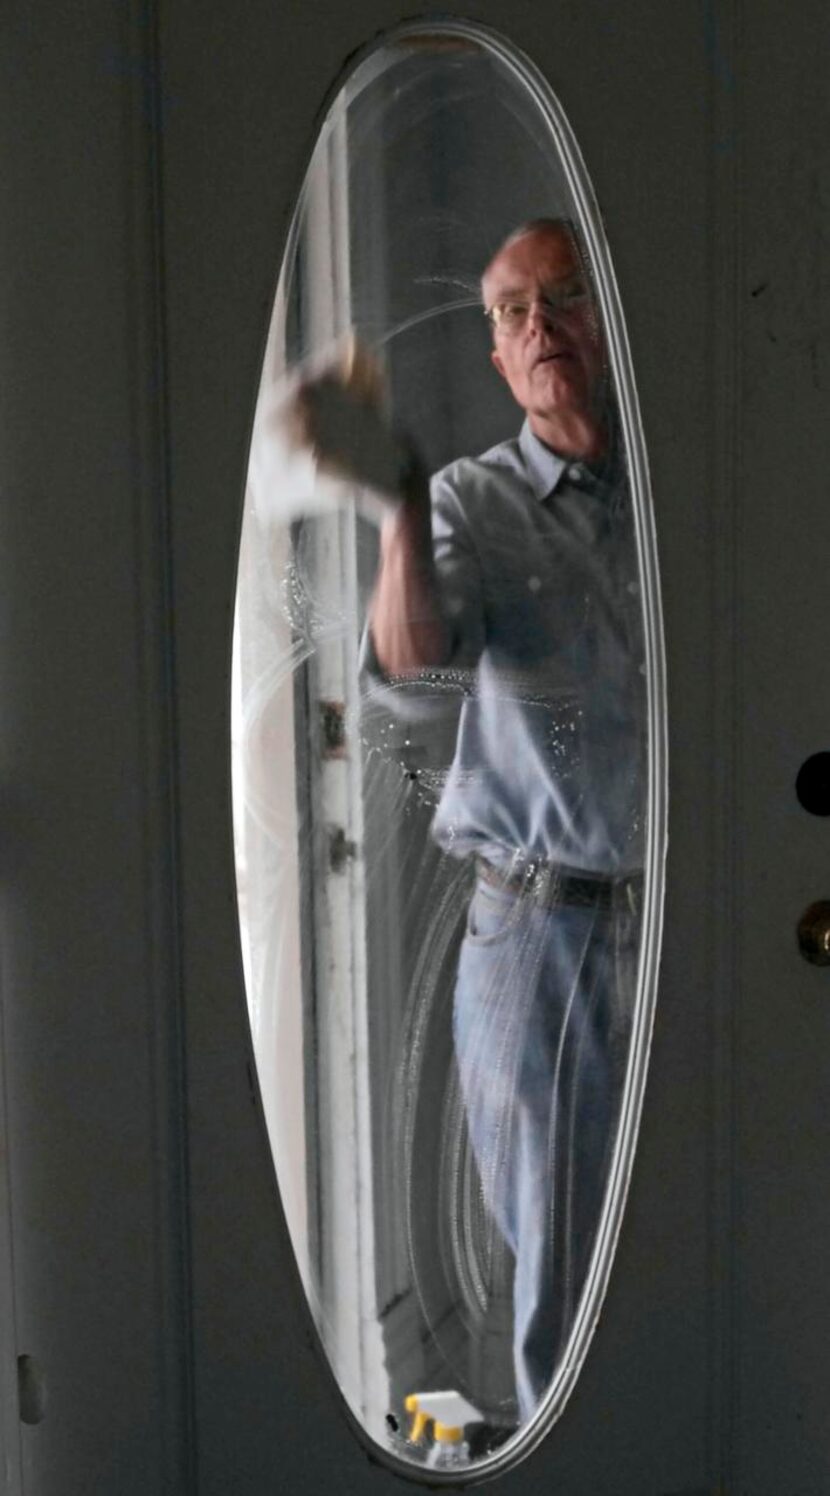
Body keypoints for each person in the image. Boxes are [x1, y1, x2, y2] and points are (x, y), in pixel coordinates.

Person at [289, 218, 645, 1426]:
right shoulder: (472, 502)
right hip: (539, 936)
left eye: (562, 297)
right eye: (508, 311)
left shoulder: (680, 488)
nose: (537, 326)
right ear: (496, 355)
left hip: (683, 914)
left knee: (698, 1224)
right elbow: (411, 661)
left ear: (610, 315)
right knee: (561, 1267)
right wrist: (395, 499)